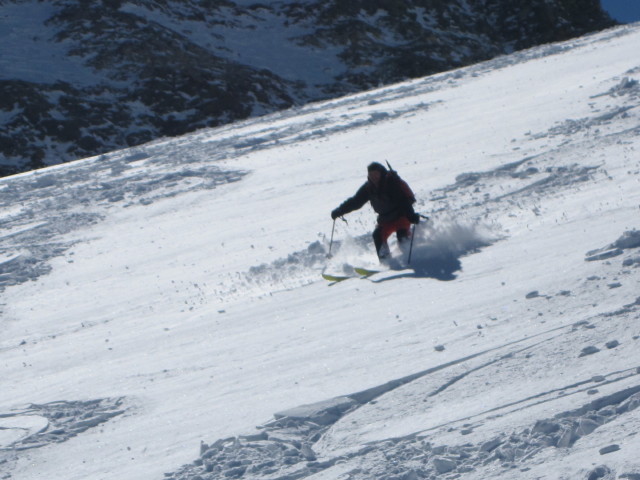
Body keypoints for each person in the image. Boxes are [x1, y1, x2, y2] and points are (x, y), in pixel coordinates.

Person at [331, 162, 421, 262]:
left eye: (376, 174)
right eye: (371, 175)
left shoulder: (391, 184)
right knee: (377, 235)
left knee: (402, 235)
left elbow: (403, 201)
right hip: (385, 219)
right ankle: (386, 262)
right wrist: (340, 211)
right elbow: (356, 202)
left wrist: (411, 215)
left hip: (401, 216)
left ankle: (412, 258)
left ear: (381, 173)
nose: (373, 177)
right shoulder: (368, 188)